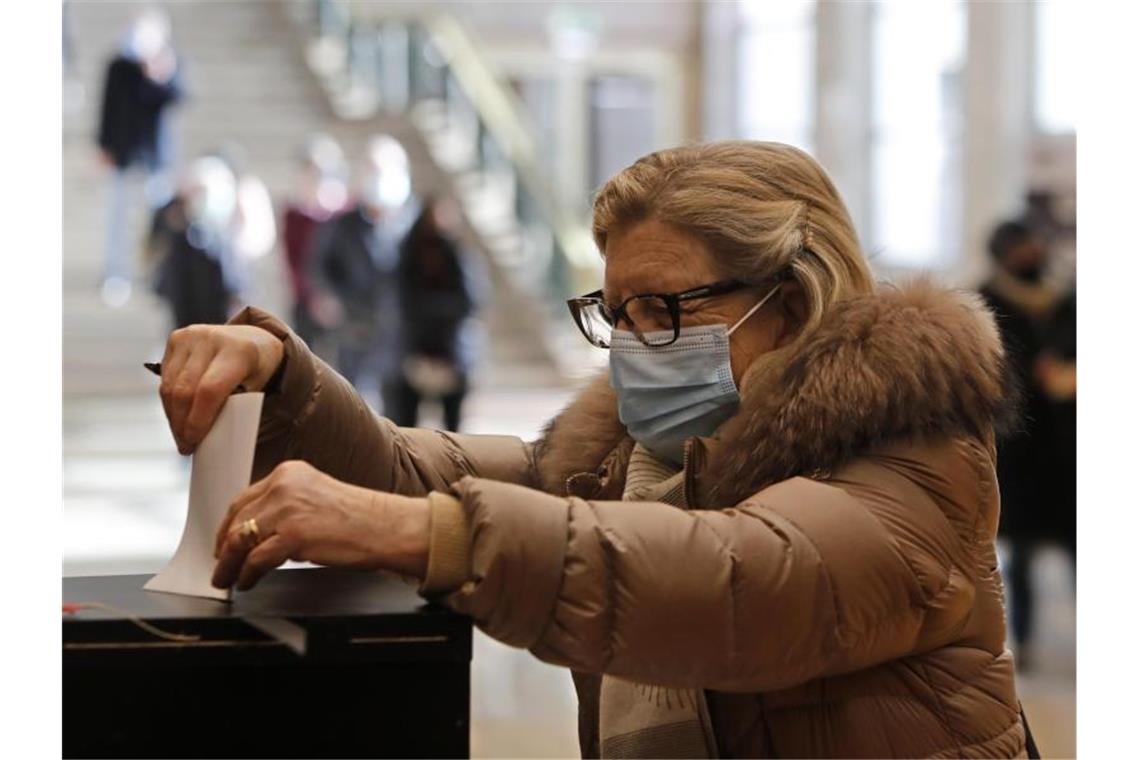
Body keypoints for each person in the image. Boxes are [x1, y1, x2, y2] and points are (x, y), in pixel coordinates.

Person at [156, 141, 1028, 757]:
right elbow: (416, 473)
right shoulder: (629, 457)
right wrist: (279, 373)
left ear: (792, 302)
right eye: (616, 313)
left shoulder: (915, 452)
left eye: (666, 308)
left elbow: (740, 578)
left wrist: (432, 536)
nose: (636, 341)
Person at [978, 218, 1059, 665]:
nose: (1032, 252)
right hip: (1018, 443)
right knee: (1020, 551)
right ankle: (1022, 640)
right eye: (1023, 246)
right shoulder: (988, 299)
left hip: (1064, 443)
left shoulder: (1063, 298)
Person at [309, 134, 416, 411]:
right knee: (355, 408)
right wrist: (330, 297)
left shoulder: (415, 225)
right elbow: (320, 265)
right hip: (355, 328)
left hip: (403, 333)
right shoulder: (343, 226)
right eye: (371, 169)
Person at [96, 7, 183, 307]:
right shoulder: (118, 66)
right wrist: (104, 145)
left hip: (156, 159)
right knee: (118, 218)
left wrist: (158, 76)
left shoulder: (169, 65)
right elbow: (107, 107)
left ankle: (155, 275)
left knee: (157, 222)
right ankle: (116, 273)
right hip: (123, 156)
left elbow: (177, 97)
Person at [387, 196, 483, 431]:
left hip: (451, 351)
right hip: (413, 350)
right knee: (405, 427)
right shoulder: (407, 255)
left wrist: (436, 312)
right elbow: (401, 301)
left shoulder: (459, 255)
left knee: (453, 428)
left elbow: (470, 301)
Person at [147, 156, 242, 330]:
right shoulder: (173, 220)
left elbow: (231, 277)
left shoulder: (220, 239)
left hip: (214, 311)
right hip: (185, 309)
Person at [281, 134, 349, 348]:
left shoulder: (345, 214)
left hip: (342, 304)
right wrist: (313, 297)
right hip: (306, 302)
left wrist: (334, 298)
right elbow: (293, 261)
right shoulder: (294, 214)